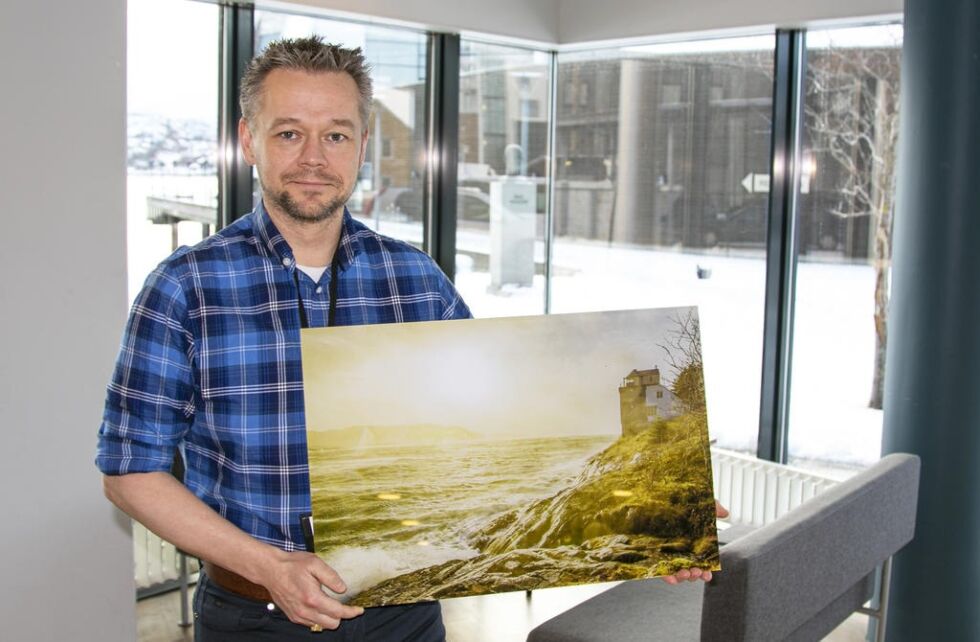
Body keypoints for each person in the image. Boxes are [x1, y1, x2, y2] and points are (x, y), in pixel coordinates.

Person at [97, 35, 720, 641]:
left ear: (362, 144)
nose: (314, 157)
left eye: (336, 134)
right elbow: (129, 472)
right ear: (248, 141)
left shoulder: (417, 278)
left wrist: (659, 518)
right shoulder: (184, 287)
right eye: (289, 132)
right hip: (253, 618)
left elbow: (503, 417)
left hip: (406, 613)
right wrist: (270, 567)